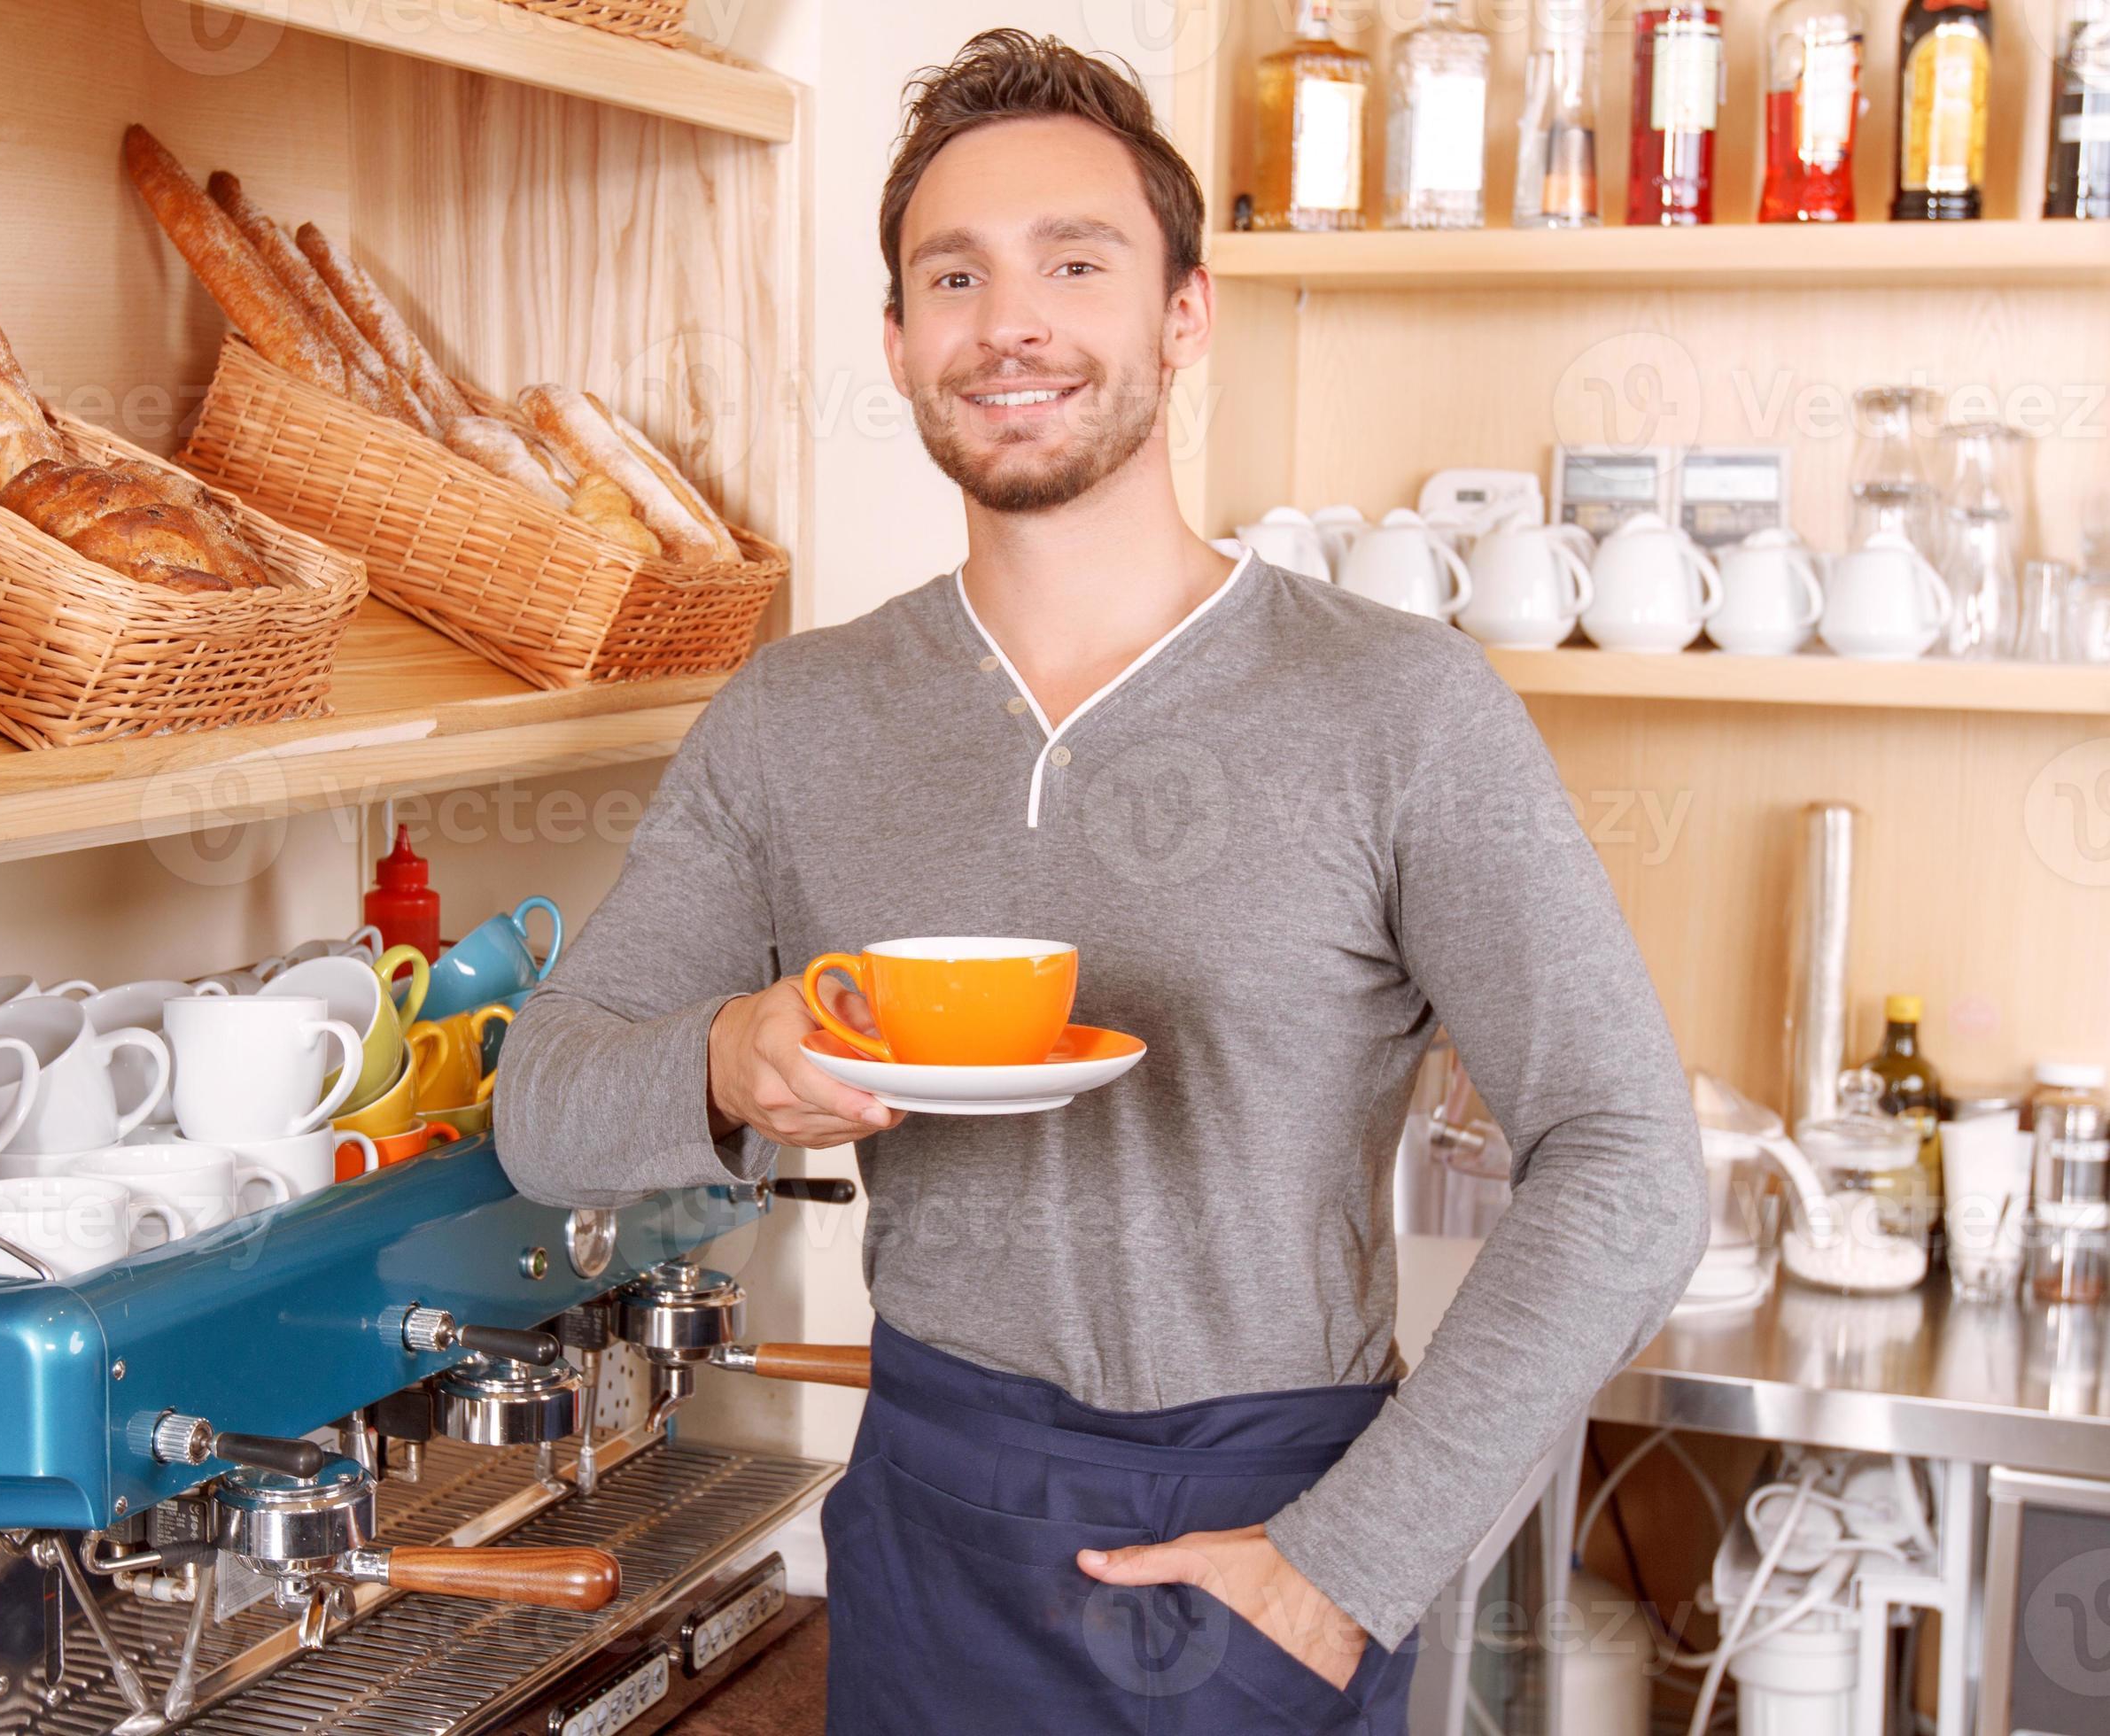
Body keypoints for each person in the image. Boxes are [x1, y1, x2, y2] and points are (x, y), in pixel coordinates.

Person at [497, 28, 1705, 1732]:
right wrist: (722, 1060)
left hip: (1268, 1537)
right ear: (903, 337)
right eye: (957, 275)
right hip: (929, 1527)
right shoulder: (799, 715)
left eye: (1079, 262)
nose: (1014, 323)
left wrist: (1346, 1564)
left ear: (1182, 313)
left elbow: (1631, 1162)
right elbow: (546, 1104)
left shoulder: (1399, 704)